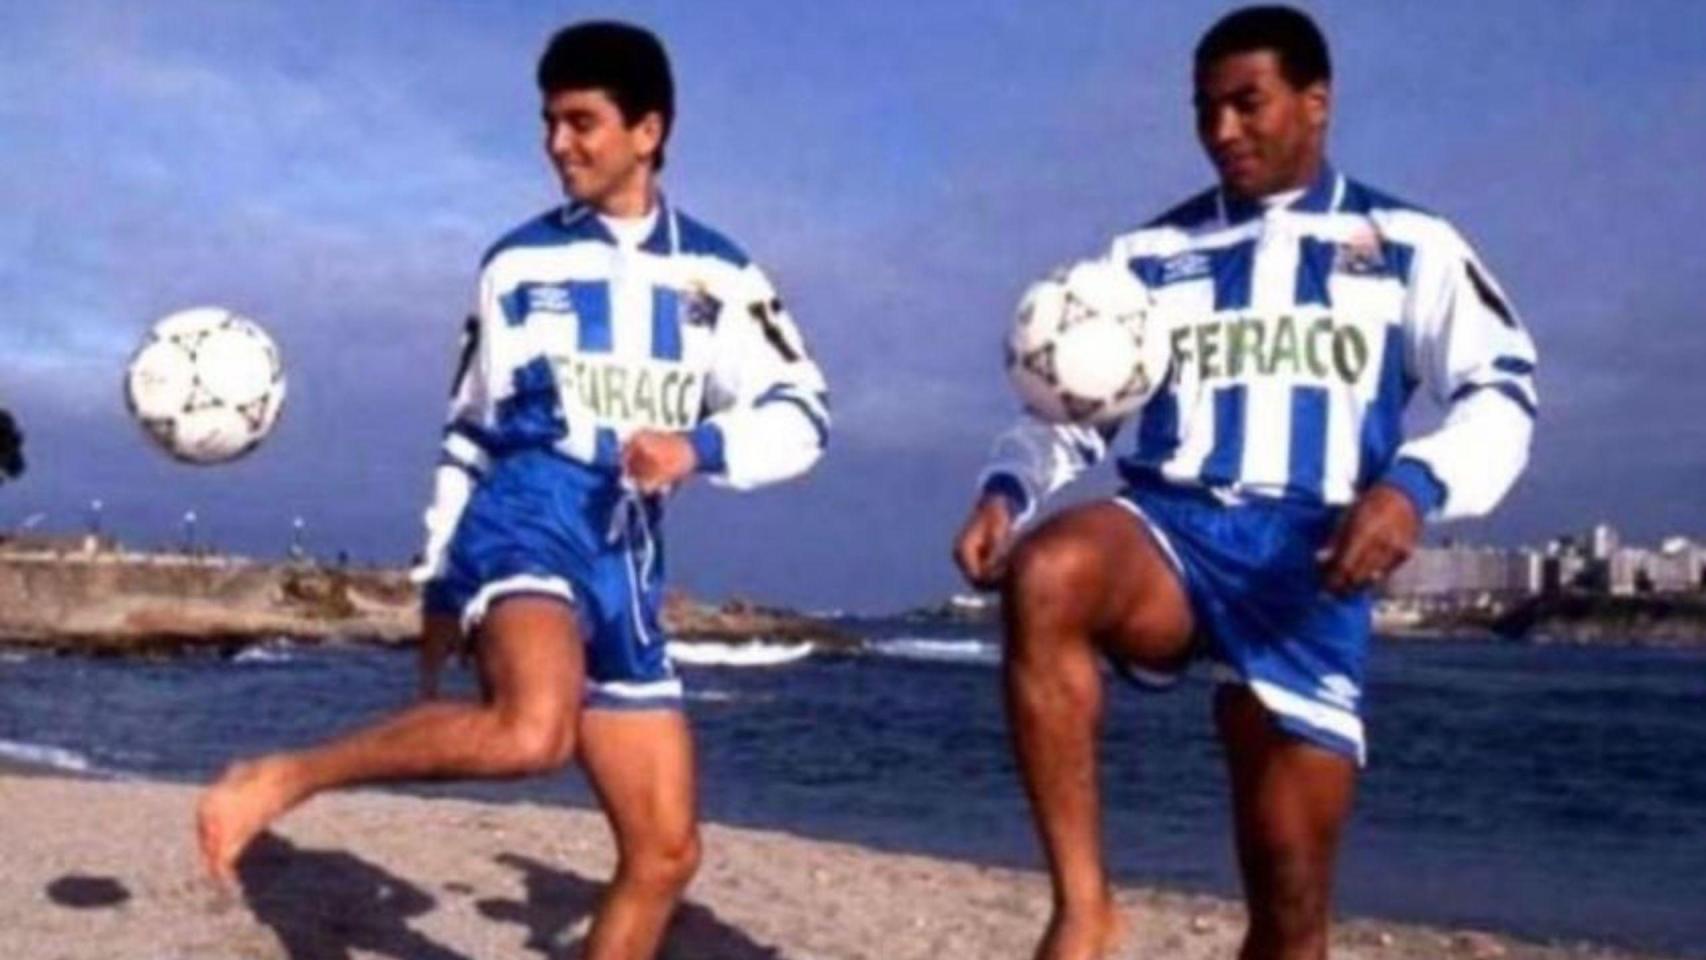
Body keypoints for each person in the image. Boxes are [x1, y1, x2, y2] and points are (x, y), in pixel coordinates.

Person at [197, 21, 829, 960]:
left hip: (630, 553)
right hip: (528, 513)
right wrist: (442, 582)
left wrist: (700, 446)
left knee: (664, 853)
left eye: (582, 122)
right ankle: (282, 777)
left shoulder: (721, 274)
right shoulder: (516, 265)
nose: (557, 144)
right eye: (549, 122)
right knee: (533, 732)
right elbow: (469, 430)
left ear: (647, 131)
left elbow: (805, 412)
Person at [952, 7, 1537, 959]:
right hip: (1173, 531)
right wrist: (1007, 492)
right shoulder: (1146, 258)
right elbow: (1070, 401)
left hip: (1311, 564)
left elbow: (1503, 392)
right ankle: (1085, 903)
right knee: (1049, 573)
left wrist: (1413, 487)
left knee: (1291, 909)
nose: (1222, 130)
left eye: (1246, 103)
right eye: (1205, 109)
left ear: (1316, 102)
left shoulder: (1409, 244)